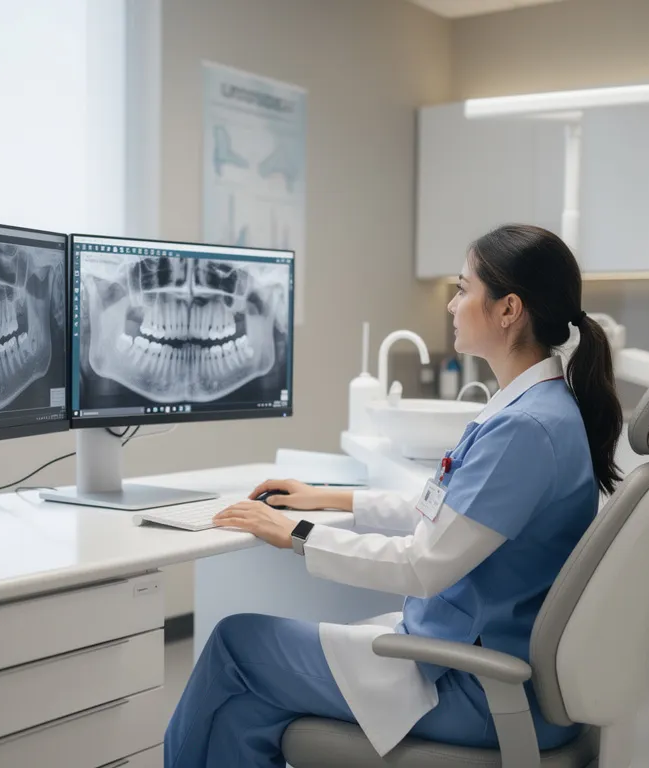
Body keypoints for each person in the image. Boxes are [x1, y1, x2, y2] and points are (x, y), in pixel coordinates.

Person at [164, 224, 624, 767]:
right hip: (476, 661)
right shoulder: (538, 409)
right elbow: (452, 515)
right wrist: (329, 500)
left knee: (234, 644)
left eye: (463, 289)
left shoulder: (526, 429)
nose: (452, 305)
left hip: (475, 686)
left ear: (508, 310)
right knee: (245, 714)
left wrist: (297, 534)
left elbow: (422, 565)